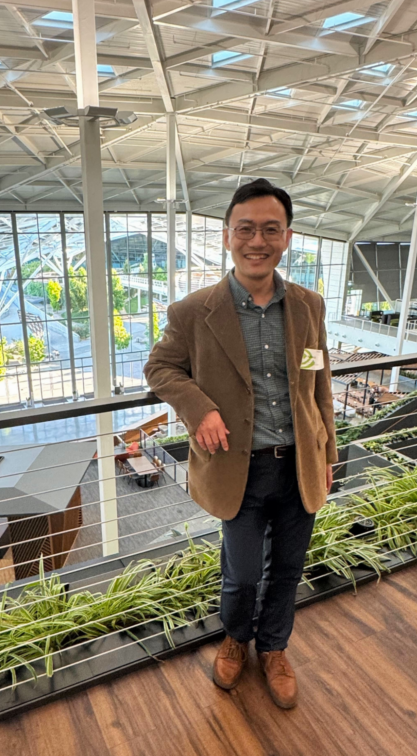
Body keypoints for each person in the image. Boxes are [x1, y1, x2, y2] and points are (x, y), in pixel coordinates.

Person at [144, 178, 337, 709]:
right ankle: (235, 639)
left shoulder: (308, 306)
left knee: (289, 568)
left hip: (299, 462)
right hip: (238, 469)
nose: (258, 240)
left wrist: (328, 455)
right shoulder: (194, 311)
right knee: (243, 571)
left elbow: (317, 382)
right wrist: (199, 406)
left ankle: (274, 648)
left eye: (270, 229)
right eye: (246, 229)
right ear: (228, 236)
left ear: (287, 237)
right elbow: (159, 368)